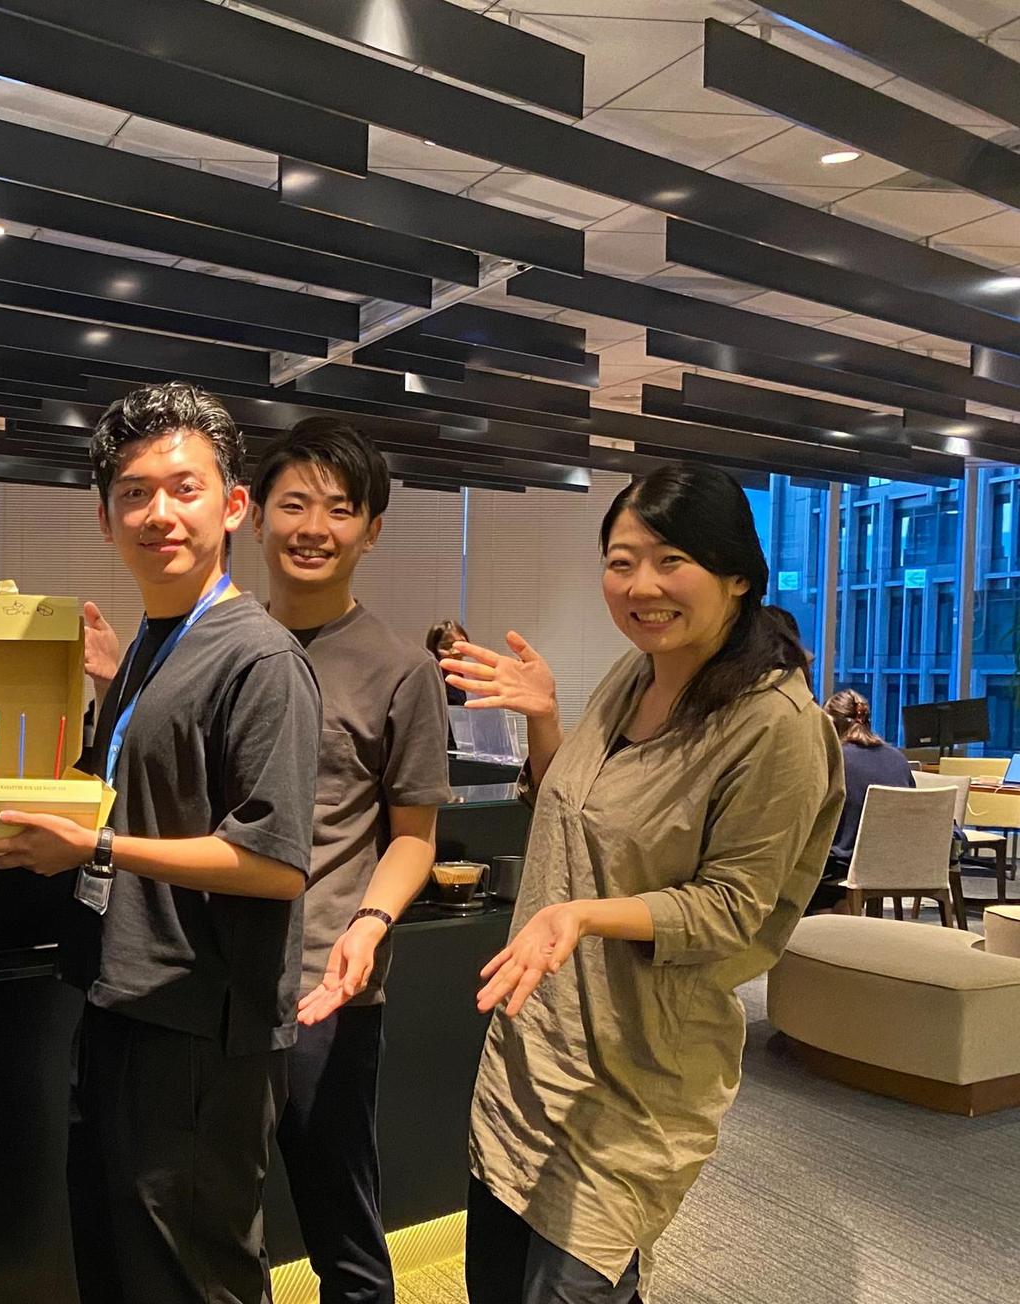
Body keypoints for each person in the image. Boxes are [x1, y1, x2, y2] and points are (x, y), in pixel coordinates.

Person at [442, 462, 843, 1304]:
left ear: (737, 576)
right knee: (495, 1287)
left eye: (670, 561)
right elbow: (577, 815)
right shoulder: (635, 677)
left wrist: (583, 916)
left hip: (638, 1073)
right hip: (534, 1051)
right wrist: (544, 718)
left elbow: (735, 908)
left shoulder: (776, 725)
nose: (641, 586)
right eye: (621, 563)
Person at [0, 381, 321, 1304]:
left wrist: (99, 849)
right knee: (117, 1266)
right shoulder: (151, 650)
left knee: (192, 1276)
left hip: (201, 1025)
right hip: (121, 997)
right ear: (105, 517)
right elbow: (139, 791)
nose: (158, 513)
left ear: (232, 505)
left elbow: (275, 864)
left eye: (183, 488)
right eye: (133, 493)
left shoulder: (261, 657)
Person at [252, 418, 452, 1304]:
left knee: (341, 1224)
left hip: (327, 985)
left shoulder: (400, 668)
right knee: (221, 1222)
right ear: (254, 515)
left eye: (339, 509)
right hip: (215, 979)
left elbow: (413, 835)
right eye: (294, 504)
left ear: (371, 530)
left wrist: (369, 924)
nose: (313, 527)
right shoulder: (224, 645)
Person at [818, 689, 913, 906]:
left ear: (830, 723)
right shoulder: (898, 759)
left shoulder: (834, 759)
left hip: (846, 866)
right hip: (899, 864)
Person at [428, 618, 471, 706]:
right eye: (447, 646)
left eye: (462, 645)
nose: (456, 651)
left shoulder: (473, 676)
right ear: (434, 650)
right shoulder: (431, 680)